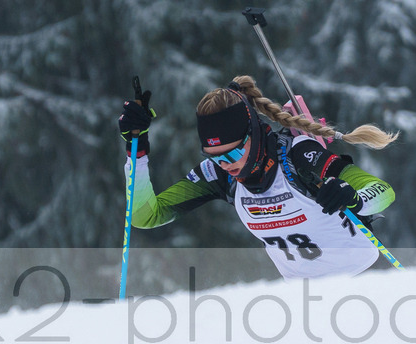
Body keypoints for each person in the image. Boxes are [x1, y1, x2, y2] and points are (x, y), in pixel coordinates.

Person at [117, 75, 399, 279]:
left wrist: (354, 199)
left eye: (230, 155)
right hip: (304, 300)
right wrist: (137, 153)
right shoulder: (219, 175)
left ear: (253, 135)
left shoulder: (296, 155)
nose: (224, 165)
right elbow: (144, 216)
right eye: (213, 156)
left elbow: (382, 191)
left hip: (366, 279)